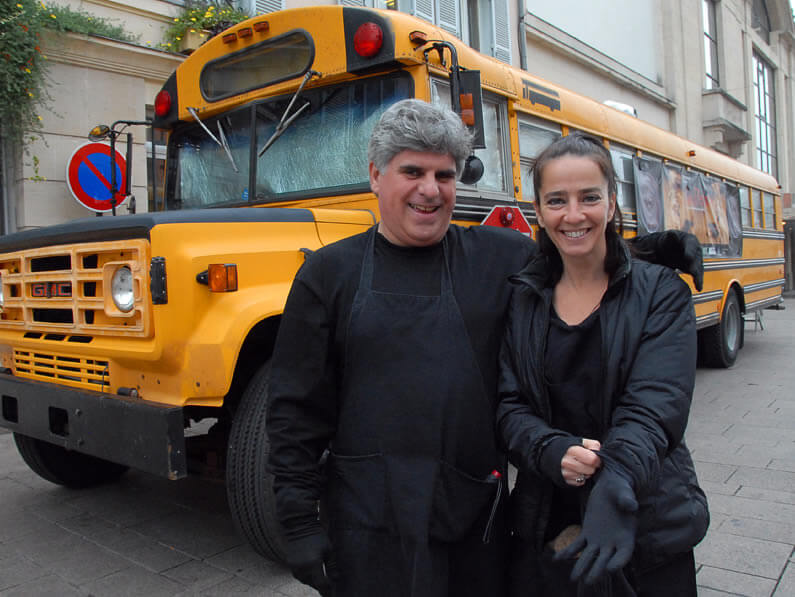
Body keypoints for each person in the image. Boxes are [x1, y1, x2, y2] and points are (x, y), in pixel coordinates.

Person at [266, 100, 704, 597]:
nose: (430, 190)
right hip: (368, 526)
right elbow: (294, 413)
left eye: (444, 175)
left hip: (474, 528)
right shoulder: (327, 275)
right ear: (375, 175)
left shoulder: (497, 256)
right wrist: (299, 521)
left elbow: (573, 247)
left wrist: (651, 249)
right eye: (412, 171)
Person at [497, 132, 709, 597]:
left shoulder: (661, 292)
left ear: (612, 203)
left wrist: (617, 477)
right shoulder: (524, 298)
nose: (573, 215)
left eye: (589, 197)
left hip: (644, 515)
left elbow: (657, 405)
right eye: (557, 200)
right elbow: (509, 405)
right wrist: (549, 450)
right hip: (546, 524)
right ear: (538, 210)